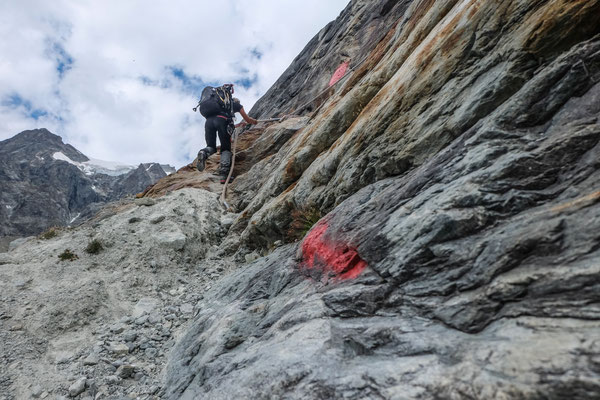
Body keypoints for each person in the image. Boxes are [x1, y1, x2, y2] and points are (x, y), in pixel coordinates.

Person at [195, 87, 258, 183]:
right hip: (221, 120)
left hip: (208, 122)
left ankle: (203, 153)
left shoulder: (219, 104)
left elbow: (224, 122)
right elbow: (248, 119)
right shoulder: (236, 104)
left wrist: (238, 125)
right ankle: (224, 175)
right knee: (225, 149)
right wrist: (253, 121)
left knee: (211, 146)